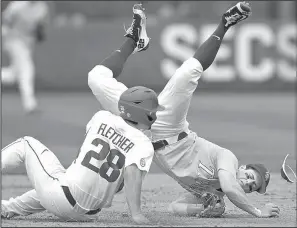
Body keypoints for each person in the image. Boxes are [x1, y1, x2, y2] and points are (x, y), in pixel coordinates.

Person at [88, 2, 280, 218]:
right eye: (250, 177)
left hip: (140, 135)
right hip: (169, 127)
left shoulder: (212, 193)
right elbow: (230, 187)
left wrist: (203, 209)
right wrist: (257, 211)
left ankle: (135, 38)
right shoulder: (228, 159)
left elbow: (175, 207)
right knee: (186, 74)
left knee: (95, 78)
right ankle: (224, 24)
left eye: (252, 187)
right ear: (243, 167)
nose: (247, 183)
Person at [1, 4, 163, 224]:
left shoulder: (101, 118)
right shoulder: (144, 146)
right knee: (60, 182)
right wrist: (136, 214)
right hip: (88, 214)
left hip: (64, 197)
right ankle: (8, 208)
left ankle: (133, 40)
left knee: (26, 144)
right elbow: (128, 178)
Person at [1, 1, 49, 114]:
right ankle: (30, 105)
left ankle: (30, 104)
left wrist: (40, 32)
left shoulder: (42, 7)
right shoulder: (17, 5)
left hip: (27, 43)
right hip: (13, 40)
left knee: (14, 75)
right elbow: (6, 20)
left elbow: (40, 27)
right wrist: (5, 33)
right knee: (27, 69)